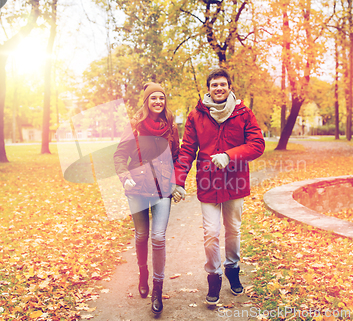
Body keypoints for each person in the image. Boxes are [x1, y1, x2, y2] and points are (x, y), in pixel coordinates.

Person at [173, 68, 265, 305]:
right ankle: (213, 276)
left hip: (235, 181)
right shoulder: (196, 116)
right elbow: (187, 151)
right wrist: (178, 181)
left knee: (233, 230)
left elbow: (257, 144)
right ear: (209, 89)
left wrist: (229, 156)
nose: (219, 88)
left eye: (223, 84)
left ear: (229, 87)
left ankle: (232, 270)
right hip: (208, 182)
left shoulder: (243, 113)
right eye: (214, 85)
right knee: (211, 233)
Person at [113, 83, 180, 314]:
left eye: (162, 98)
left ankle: (157, 291)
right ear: (146, 101)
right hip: (137, 188)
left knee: (158, 237)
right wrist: (124, 177)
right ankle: (143, 273)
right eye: (154, 98)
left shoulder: (171, 126)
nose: (158, 102)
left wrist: (177, 182)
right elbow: (120, 155)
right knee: (142, 235)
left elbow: (177, 156)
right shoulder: (134, 125)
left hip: (162, 189)